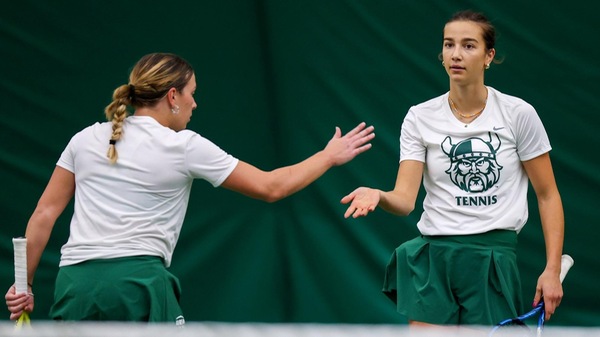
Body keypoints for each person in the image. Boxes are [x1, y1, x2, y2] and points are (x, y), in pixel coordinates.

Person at [5, 52, 375, 324]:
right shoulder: (185, 146)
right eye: (192, 93)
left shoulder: (84, 139)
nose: (195, 103)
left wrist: (27, 286)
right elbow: (271, 186)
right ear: (172, 96)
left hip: (75, 285)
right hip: (139, 287)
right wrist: (328, 156)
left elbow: (45, 213)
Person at [341, 10, 564, 326]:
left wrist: (552, 269)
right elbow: (405, 201)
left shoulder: (518, 115)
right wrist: (379, 195)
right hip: (433, 259)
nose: (456, 54)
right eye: (449, 45)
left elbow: (547, 195)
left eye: (469, 46)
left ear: (489, 56)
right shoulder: (420, 117)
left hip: (492, 259)